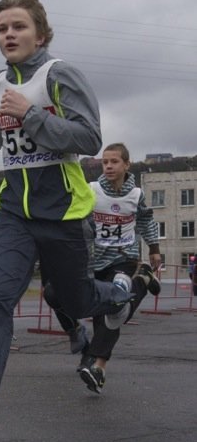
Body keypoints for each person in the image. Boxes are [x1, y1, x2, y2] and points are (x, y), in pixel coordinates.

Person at [0, 0, 160, 442]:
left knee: (75, 300)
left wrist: (32, 114)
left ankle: (117, 292)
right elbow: (3, 125)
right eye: (1, 29)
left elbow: (88, 136)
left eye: (18, 26)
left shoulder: (59, 74)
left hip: (62, 213)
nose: (9, 35)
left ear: (40, 33)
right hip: (14, 213)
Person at [45, 143, 161, 393]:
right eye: (105, 162)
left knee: (114, 309)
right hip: (91, 260)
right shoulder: (91, 190)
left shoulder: (136, 195)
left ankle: (98, 367)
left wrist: (154, 248)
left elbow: (146, 220)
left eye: (114, 162)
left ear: (127, 165)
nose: (108, 166)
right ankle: (76, 332)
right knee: (53, 292)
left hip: (123, 260)